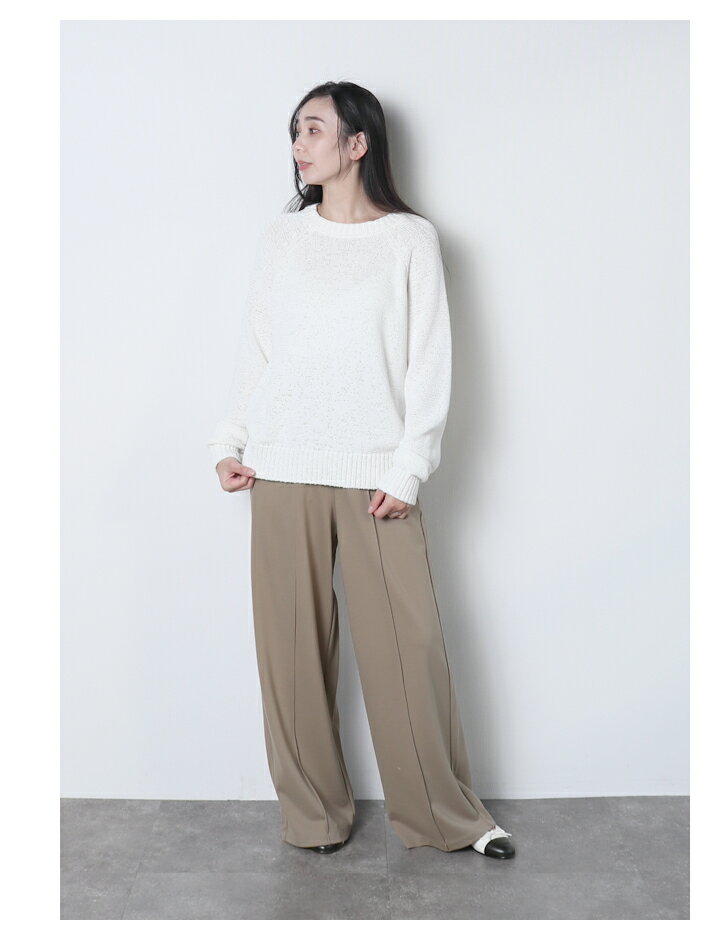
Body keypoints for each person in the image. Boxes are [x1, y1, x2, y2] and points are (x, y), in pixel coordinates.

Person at [208, 81, 515, 861]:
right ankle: (312, 819)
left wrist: (410, 468)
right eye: (295, 131)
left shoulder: (411, 239)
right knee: (291, 655)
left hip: (378, 474)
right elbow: (259, 350)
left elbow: (428, 361)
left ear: (358, 143)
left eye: (313, 129)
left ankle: (445, 818)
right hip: (280, 465)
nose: (298, 144)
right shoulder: (283, 239)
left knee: (408, 650)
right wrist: (231, 439)